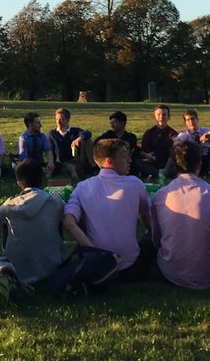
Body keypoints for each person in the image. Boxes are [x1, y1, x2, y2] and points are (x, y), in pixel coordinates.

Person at [62, 137, 152, 281]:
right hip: (131, 266)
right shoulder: (135, 183)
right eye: (124, 155)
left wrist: (93, 252)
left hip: (96, 267)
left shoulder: (82, 187)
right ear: (109, 162)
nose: (130, 160)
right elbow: (147, 219)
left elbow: (68, 223)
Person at [147, 141, 210, 289]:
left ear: (174, 164)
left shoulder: (161, 196)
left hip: (170, 271)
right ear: (199, 163)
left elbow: (157, 238)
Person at [0, 158, 66, 286]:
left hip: (17, 271)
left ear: (18, 182)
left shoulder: (10, 205)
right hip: (52, 268)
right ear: (41, 179)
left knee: (5, 222)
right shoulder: (56, 202)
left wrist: (7, 203)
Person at [84, 111, 136, 181]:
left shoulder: (130, 136)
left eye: (114, 122)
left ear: (122, 123)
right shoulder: (108, 134)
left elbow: (129, 145)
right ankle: (94, 168)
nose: (112, 125)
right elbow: (97, 143)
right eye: (111, 123)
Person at [175, 108, 210, 176]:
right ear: (185, 122)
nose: (191, 122)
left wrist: (209, 135)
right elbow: (176, 142)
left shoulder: (204, 130)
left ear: (197, 119)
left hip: (206, 158)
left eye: (193, 119)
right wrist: (185, 144)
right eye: (188, 120)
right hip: (194, 160)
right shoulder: (185, 134)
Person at [48, 107, 83, 184]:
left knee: (73, 167)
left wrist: (77, 139)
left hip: (73, 160)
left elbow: (87, 134)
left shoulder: (74, 131)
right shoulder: (53, 133)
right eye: (57, 120)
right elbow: (50, 149)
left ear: (68, 120)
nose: (59, 122)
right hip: (59, 163)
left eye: (61, 120)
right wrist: (51, 163)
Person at [16, 111, 54, 178]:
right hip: (28, 165)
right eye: (37, 123)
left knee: (58, 166)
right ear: (30, 124)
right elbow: (24, 159)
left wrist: (50, 162)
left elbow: (48, 150)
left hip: (40, 163)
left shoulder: (42, 136)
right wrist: (39, 169)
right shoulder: (23, 139)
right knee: (25, 170)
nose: (40, 125)